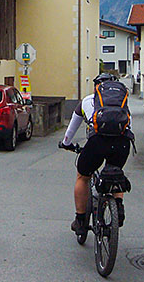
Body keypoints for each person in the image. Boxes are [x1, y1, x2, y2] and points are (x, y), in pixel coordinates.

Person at [58, 72, 134, 232]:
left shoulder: (87, 101)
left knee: (82, 176)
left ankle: (80, 220)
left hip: (98, 143)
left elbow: (72, 128)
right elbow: (128, 126)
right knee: (115, 172)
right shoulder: (122, 102)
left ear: (96, 87)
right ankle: (118, 207)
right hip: (122, 143)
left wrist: (66, 143)